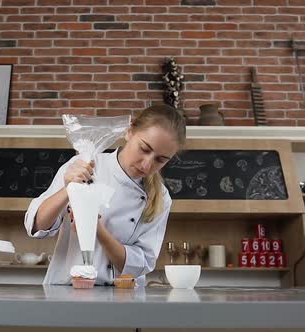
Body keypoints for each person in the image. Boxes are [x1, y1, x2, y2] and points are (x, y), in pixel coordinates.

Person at [24, 104, 186, 286]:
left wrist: (98, 230)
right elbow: (36, 226)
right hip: (67, 290)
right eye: (144, 149)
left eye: (160, 159)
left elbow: (140, 265)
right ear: (129, 131)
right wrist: (68, 189)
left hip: (123, 297)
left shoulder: (161, 198)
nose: (147, 165)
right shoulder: (86, 165)